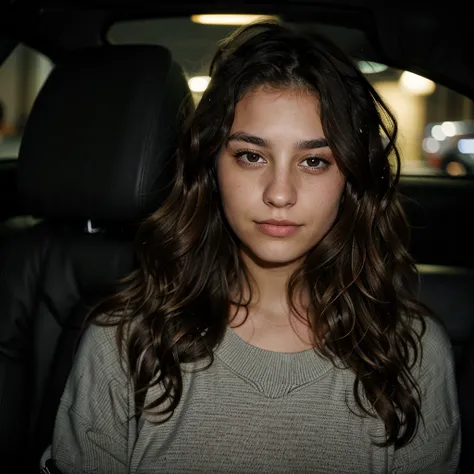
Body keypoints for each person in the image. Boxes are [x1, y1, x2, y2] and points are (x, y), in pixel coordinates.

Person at [48, 20, 460, 473]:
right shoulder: (124, 340)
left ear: (351, 180)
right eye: (251, 155)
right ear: (211, 167)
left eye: (314, 161)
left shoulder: (412, 353)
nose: (279, 193)